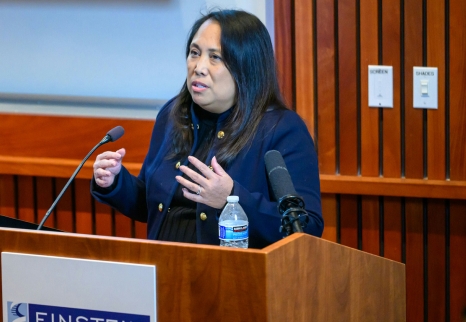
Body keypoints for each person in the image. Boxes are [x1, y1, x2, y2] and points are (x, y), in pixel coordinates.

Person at [91, 10, 323, 249]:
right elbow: (152, 204)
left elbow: (307, 227)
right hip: (162, 271)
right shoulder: (173, 115)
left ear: (247, 67)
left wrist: (231, 199)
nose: (199, 67)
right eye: (194, 53)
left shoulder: (282, 129)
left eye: (215, 57)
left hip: (235, 278)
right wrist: (115, 181)